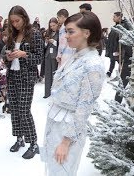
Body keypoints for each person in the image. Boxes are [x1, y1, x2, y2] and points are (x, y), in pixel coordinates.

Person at [41, 11, 105, 176]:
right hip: (56, 125)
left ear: (86, 33)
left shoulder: (93, 64)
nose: (66, 36)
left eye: (71, 31)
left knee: (63, 172)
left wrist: (66, 142)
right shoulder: (76, 56)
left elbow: (84, 108)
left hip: (68, 131)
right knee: (53, 169)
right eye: (66, 31)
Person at [4, 5, 44, 159]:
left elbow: (39, 58)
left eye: (17, 20)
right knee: (14, 110)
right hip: (12, 76)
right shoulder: (12, 35)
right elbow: (5, 54)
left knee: (24, 111)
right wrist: (8, 57)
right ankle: (19, 138)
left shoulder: (34, 34)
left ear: (24, 18)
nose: (15, 24)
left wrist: (24, 54)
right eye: (12, 21)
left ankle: (33, 143)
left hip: (26, 78)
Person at [43, 17, 59, 98]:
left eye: (53, 25)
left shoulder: (60, 33)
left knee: (54, 75)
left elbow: (61, 45)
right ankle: (47, 93)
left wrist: (54, 42)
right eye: (51, 26)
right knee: (47, 75)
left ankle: (54, 95)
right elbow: (45, 46)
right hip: (48, 56)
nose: (52, 27)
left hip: (55, 56)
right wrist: (46, 42)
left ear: (57, 24)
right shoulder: (49, 33)